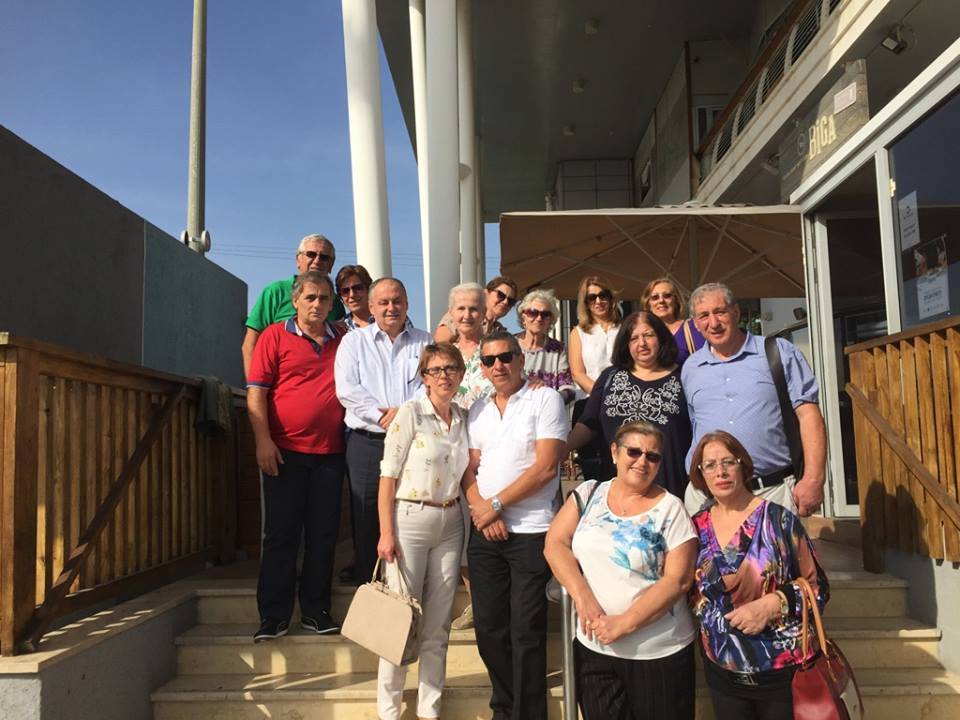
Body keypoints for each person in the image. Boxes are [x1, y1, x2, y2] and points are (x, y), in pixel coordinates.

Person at [544, 421, 698, 720]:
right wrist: (583, 598)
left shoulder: (671, 508)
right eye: (634, 452)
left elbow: (678, 580)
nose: (642, 461)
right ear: (614, 452)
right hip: (595, 652)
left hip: (658, 654)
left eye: (652, 456)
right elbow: (555, 544)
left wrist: (624, 624)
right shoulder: (588, 494)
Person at [464, 331, 569, 720]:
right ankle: (505, 709)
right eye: (489, 360)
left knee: (526, 630)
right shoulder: (478, 409)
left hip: (531, 530)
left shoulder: (545, 399)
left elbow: (546, 467)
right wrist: (481, 510)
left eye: (505, 357)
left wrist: (496, 506)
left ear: (521, 359)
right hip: (485, 531)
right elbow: (469, 468)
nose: (498, 366)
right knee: (490, 629)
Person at [688, 431, 829, 719]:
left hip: (782, 670)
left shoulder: (778, 520)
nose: (720, 472)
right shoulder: (695, 528)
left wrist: (771, 604)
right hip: (722, 670)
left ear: (743, 466)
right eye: (710, 465)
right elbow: (688, 590)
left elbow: (818, 588)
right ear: (701, 475)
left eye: (728, 462)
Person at [246, 271, 347, 641]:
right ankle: (274, 616)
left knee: (323, 534)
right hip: (284, 451)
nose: (318, 304)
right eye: (310, 297)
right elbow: (257, 392)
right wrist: (263, 441)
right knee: (281, 534)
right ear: (295, 301)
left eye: (324, 298)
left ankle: (316, 612)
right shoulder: (274, 336)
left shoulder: (344, 339)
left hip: (331, 453)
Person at [375, 343, 469, 720]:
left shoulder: (463, 417)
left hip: (451, 520)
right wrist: (386, 532)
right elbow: (387, 476)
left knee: (438, 623)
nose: (444, 376)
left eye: (451, 368)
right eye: (435, 370)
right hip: (409, 518)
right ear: (424, 377)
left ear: (461, 374)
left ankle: (430, 710)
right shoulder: (410, 413)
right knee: (399, 622)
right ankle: (389, 711)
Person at [682, 282, 826, 517]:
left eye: (720, 312)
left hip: (770, 492)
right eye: (704, 316)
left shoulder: (778, 352)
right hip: (707, 497)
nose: (714, 323)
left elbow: (809, 417)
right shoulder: (691, 367)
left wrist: (813, 479)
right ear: (695, 324)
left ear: (736, 312)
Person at [334, 278, 432, 585]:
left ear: (407, 304)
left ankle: (407, 585)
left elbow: (429, 386)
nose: (391, 308)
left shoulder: (425, 342)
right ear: (371, 307)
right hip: (367, 442)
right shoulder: (353, 342)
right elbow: (348, 390)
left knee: (409, 510)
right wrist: (384, 417)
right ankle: (371, 587)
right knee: (365, 517)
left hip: (413, 442)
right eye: (384, 302)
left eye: (397, 301)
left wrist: (403, 415)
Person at [567, 312, 692, 499]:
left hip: (668, 490)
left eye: (648, 335)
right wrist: (561, 450)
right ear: (626, 343)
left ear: (661, 338)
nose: (642, 343)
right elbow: (588, 422)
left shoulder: (685, 377)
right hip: (615, 490)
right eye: (634, 338)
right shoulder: (610, 377)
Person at [441, 282, 494, 633]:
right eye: (460, 308)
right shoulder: (442, 355)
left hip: (490, 453)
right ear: (451, 313)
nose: (467, 314)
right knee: (459, 532)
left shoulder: (495, 351)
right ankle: (476, 603)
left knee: (485, 526)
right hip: (451, 452)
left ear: (484, 312)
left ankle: (490, 602)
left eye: (474, 308)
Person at [242, 233, 345, 376]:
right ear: (298, 260)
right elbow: (250, 343)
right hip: (280, 384)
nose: (317, 261)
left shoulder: (335, 302)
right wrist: (254, 385)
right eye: (311, 254)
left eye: (324, 257)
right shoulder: (275, 292)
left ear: (331, 264)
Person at [515, 288, 576, 403]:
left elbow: (569, 388)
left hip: (547, 408)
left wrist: (550, 395)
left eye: (545, 314)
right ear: (523, 317)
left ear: (551, 320)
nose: (539, 318)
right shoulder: (509, 344)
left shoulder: (558, 349)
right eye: (533, 312)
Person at [568, 275, 622, 396]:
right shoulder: (578, 333)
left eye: (603, 295)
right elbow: (577, 373)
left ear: (610, 298)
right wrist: (602, 395)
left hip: (623, 397)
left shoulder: (625, 329)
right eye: (592, 297)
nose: (598, 301)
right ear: (586, 303)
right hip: (590, 398)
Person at [641, 277, 705, 367]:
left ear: (676, 300)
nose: (661, 300)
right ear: (648, 304)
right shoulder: (642, 334)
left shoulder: (692, 327)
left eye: (667, 296)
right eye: (655, 297)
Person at [434, 275, 518, 342]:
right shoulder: (463, 316)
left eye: (511, 301)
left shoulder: (499, 331)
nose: (505, 302)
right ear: (486, 293)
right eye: (501, 295)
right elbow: (440, 345)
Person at [336, 264, 374, 331]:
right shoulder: (338, 329)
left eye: (358, 288)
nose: (352, 295)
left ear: (368, 289)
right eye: (345, 291)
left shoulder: (385, 321)